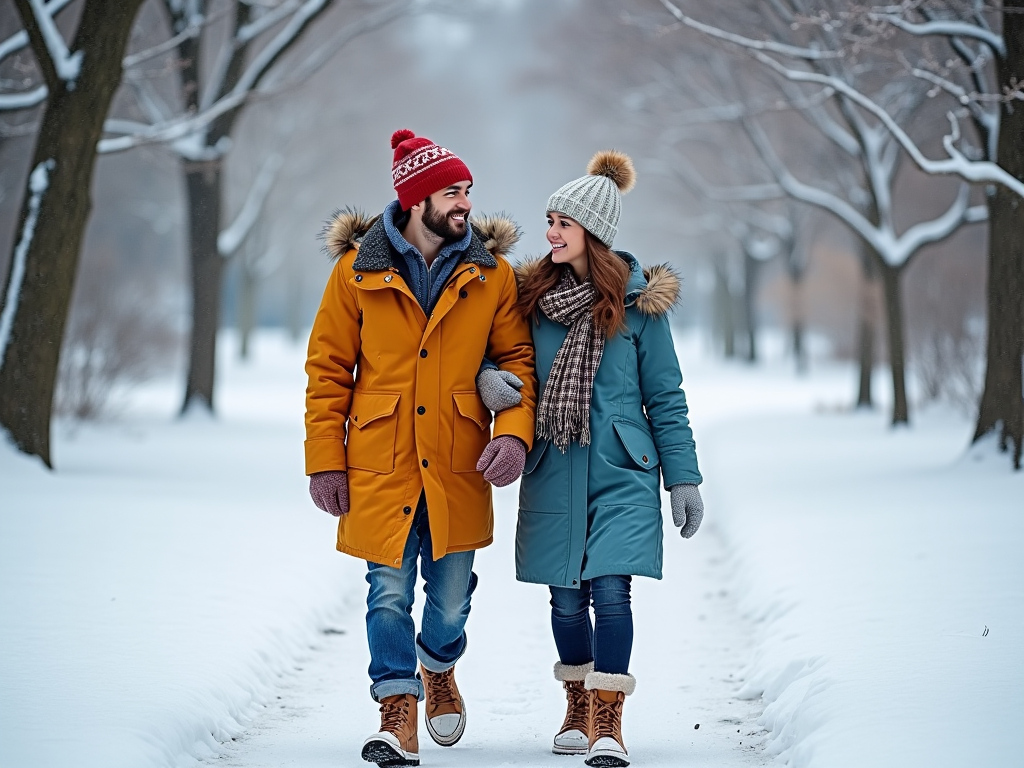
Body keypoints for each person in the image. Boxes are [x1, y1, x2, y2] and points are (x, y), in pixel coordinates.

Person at [304, 129, 536, 767]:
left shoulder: (491, 276)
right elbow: (327, 371)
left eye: (467, 191)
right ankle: (396, 709)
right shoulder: (356, 273)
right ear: (415, 199)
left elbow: (518, 360)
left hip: (459, 459)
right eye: (452, 192)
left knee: (452, 594)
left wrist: (513, 433)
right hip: (382, 460)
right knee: (387, 591)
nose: (464, 203)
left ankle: (438, 665)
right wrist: (325, 460)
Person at [511, 150, 704, 767]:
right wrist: (496, 384)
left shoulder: (640, 308)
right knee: (566, 599)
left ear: (591, 233)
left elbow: (666, 398)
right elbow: (505, 365)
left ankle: (608, 720)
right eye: (549, 221)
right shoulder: (531, 300)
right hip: (554, 464)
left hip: (622, 472)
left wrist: (684, 478)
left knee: (612, 593)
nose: (551, 233)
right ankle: (576, 701)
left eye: (562, 223)